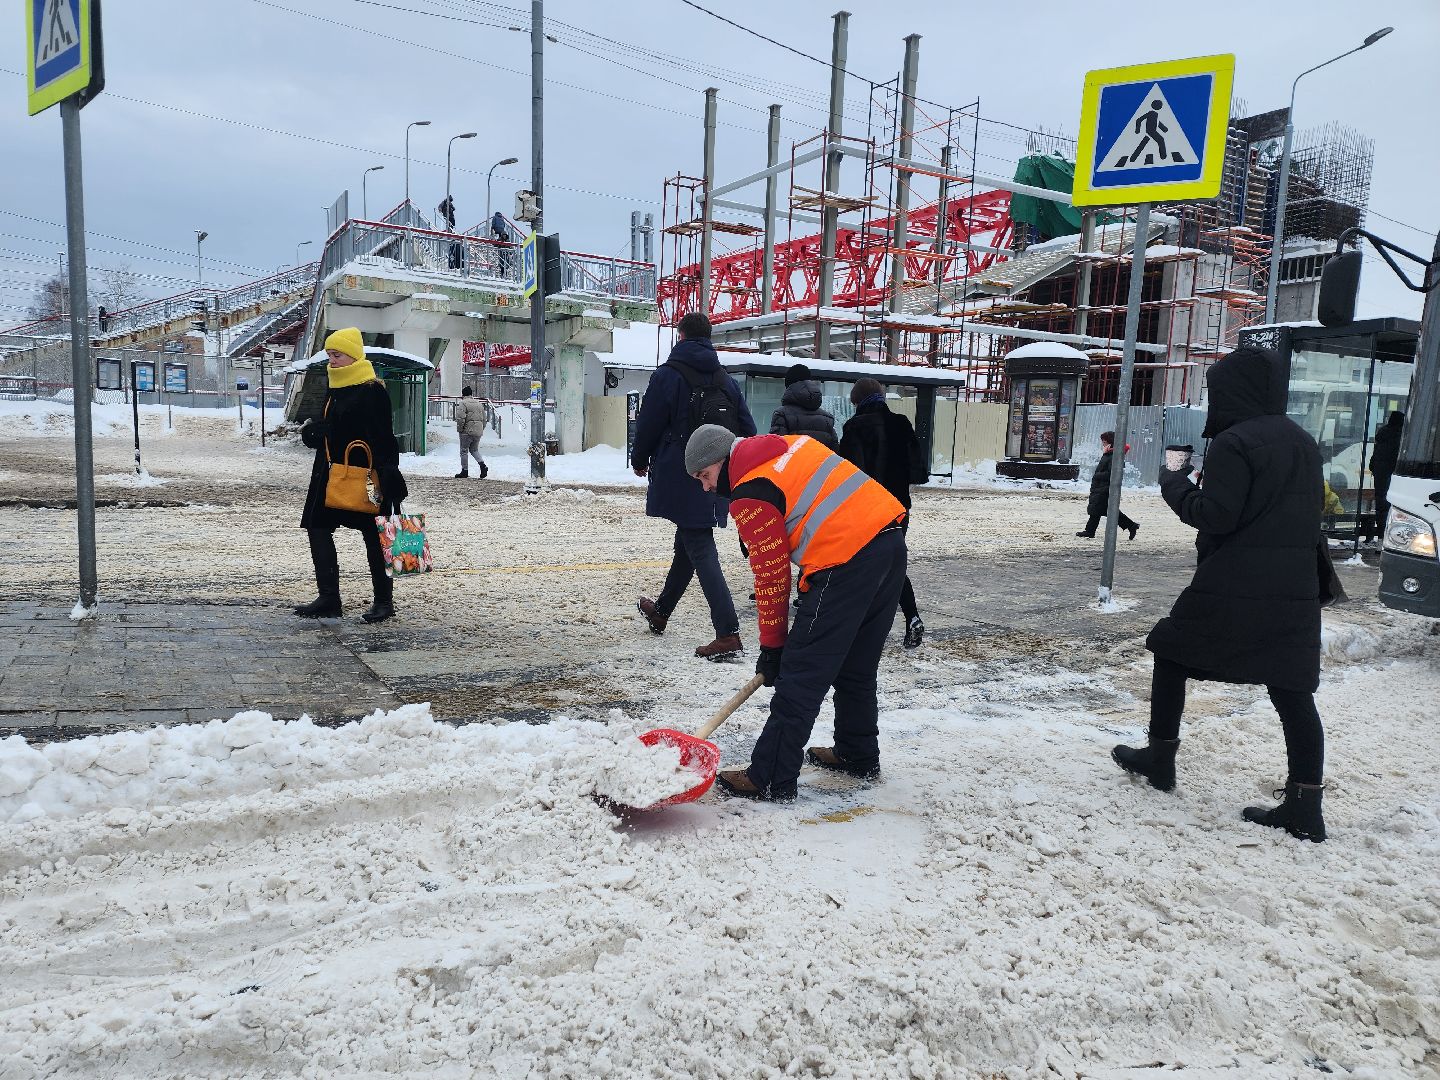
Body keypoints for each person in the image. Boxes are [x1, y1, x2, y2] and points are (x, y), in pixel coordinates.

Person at [1111, 347, 1329, 842]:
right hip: (1294, 586)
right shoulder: (1301, 441)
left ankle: (1160, 759)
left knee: (1170, 652)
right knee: (1292, 690)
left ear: (1232, 392)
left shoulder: (1236, 441)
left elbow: (1216, 515)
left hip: (1235, 582)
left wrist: (1172, 483)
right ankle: (1305, 804)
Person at [683, 425, 908, 801]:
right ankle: (857, 752)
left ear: (721, 461)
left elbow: (771, 581)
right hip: (889, 544)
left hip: (843, 560)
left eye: (705, 476)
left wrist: (773, 649)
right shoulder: (790, 445)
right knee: (856, 665)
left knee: (801, 673)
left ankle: (770, 776)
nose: (706, 487)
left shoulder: (750, 492)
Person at [632, 312, 757, 659]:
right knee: (689, 542)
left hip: (681, 472)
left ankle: (728, 632)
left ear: (681, 336)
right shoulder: (725, 380)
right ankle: (661, 612)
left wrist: (640, 459)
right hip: (717, 474)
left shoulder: (668, 375)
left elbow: (649, 422)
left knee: (699, 546)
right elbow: (747, 427)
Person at [295, 327, 407, 624]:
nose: (332, 360)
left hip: (365, 475)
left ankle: (384, 602)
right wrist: (316, 432)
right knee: (317, 527)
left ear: (354, 356)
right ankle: (329, 598)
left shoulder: (372, 390)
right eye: (330, 354)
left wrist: (389, 476)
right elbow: (333, 426)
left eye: (337, 354)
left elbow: (383, 436)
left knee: (374, 536)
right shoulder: (335, 385)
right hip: (331, 473)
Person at [839, 377, 928, 648]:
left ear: (856, 402)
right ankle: (912, 616)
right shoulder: (901, 424)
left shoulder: (854, 427)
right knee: (893, 564)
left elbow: (848, 476)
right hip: (899, 508)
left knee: (861, 566)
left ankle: (861, 628)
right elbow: (918, 472)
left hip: (867, 509)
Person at [1077, 431, 1139, 541]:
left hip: (1105, 488)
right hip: (1101, 487)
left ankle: (1090, 531)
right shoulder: (1109, 454)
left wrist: (1097, 475)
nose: (1103, 444)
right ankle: (1131, 525)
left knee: (1101, 510)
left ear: (1111, 442)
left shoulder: (1114, 456)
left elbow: (1113, 473)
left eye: (1104, 442)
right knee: (1103, 510)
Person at [769, 364, 839, 450]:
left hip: (794, 463)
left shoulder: (782, 414)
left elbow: (775, 448)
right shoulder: (827, 418)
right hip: (819, 463)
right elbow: (834, 452)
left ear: (788, 386)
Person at [1367, 411, 1404, 542]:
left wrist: (1376, 469)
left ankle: (1381, 537)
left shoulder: (1382, 434)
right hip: (1393, 475)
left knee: (1381, 505)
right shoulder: (1401, 437)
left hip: (1380, 475)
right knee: (1394, 506)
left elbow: (1374, 458)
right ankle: (1389, 537)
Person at [453, 385, 489, 479]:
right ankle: (483, 466)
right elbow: (484, 419)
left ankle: (464, 471)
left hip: (467, 432)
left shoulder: (463, 403)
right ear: (471, 394)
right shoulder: (478, 403)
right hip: (478, 431)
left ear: (463, 394)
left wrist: (460, 430)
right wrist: (481, 429)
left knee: (464, 451)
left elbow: (461, 418)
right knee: (474, 450)